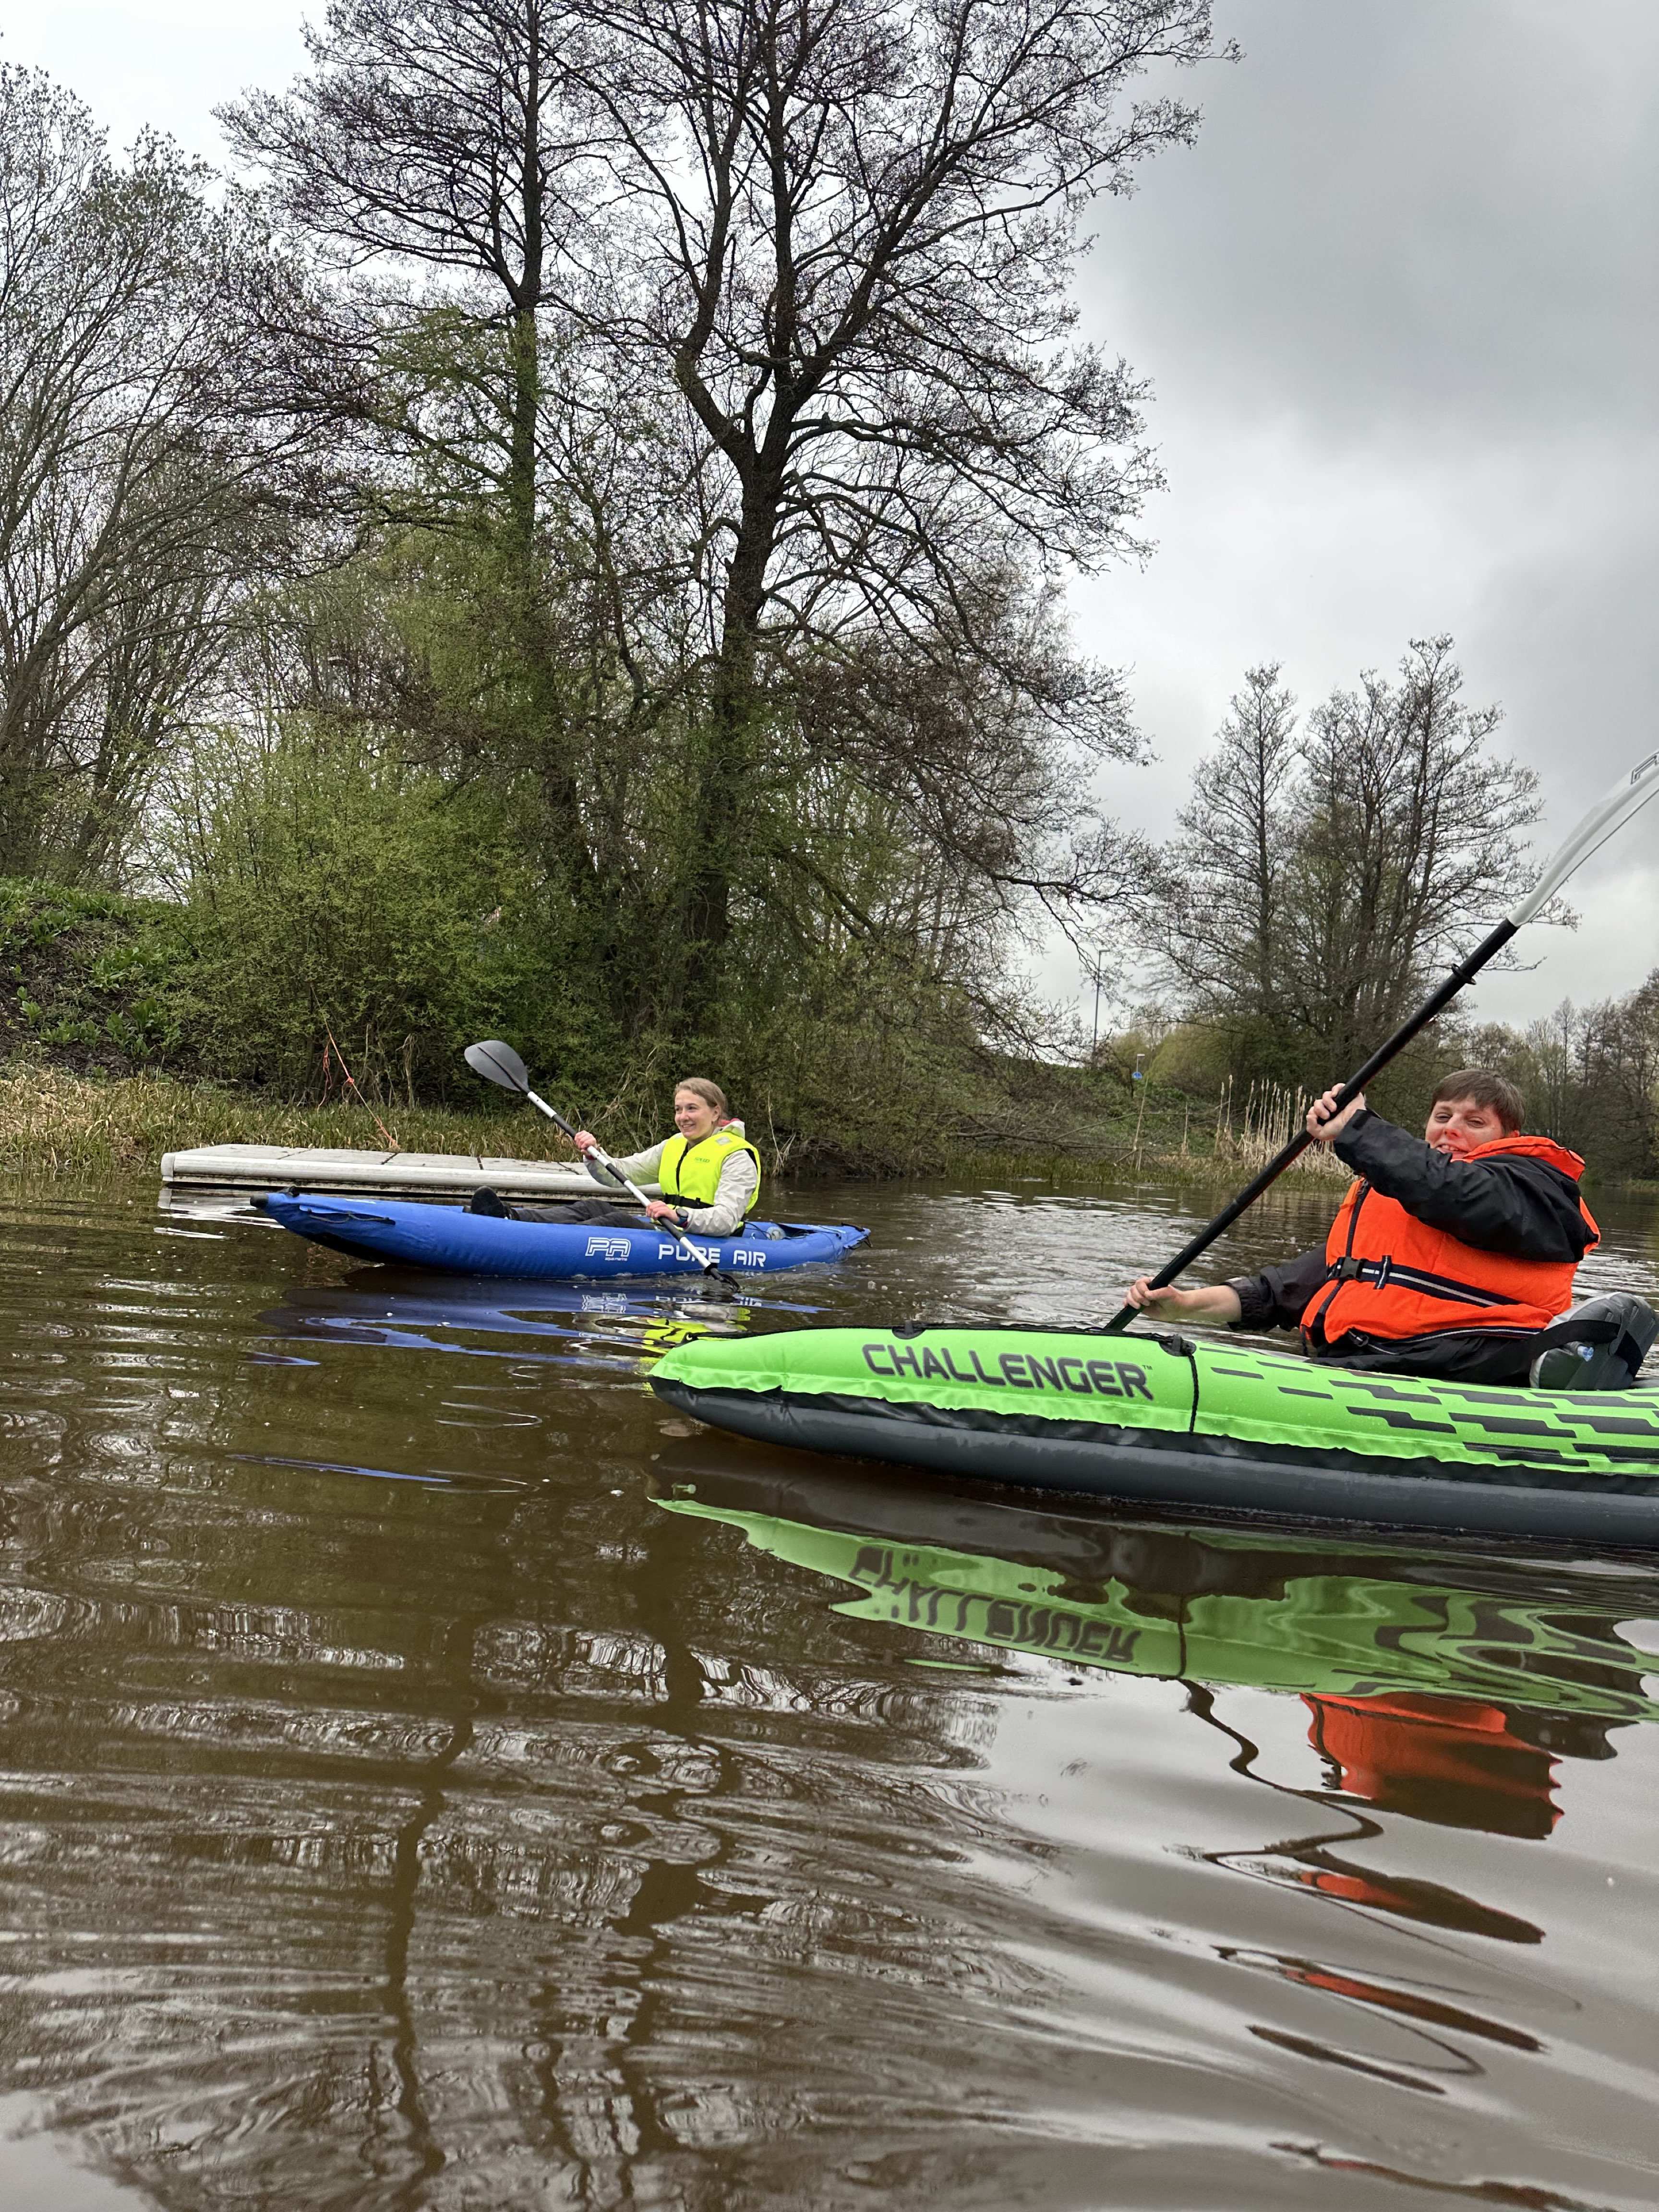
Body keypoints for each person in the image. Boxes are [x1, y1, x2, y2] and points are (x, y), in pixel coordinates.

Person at [1123, 1067, 1655, 1388]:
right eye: (1443, 1116)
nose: (1452, 1130)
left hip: (1463, 1359)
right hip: (1370, 1362)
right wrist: (1185, 1306)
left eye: (1474, 1122)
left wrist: (1357, 1128)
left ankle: (1573, 1361)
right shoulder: (1395, 1195)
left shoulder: (1536, 1188)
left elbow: (1459, 1195)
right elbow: (1291, 1288)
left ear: (1505, 1136)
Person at [470, 1077, 762, 1237]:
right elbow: (618, 1175)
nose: (682, 1117)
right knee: (593, 1207)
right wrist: (594, 1155)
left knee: (612, 1221)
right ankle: (512, 1218)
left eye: (692, 1109)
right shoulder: (674, 1145)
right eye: (678, 1109)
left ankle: (540, 1242)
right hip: (667, 1229)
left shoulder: (737, 1156)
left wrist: (678, 1215)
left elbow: (725, 1220)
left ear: (715, 1113)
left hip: (701, 1237)